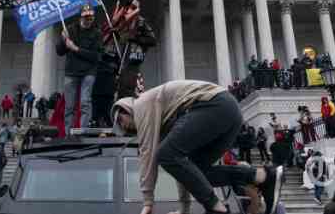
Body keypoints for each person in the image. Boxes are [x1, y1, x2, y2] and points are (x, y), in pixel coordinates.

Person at [112, 80, 284, 214]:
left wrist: (148, 202)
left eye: (121, 121)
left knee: (163, 154)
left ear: (126, 108)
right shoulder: (164, 120)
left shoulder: (142, 105)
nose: (125, 127)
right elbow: (184, 171)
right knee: (196, 171)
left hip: (215, 105)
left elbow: (147, 155)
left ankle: (216, 208)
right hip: (230, 112)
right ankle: (262, 176)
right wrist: (184, 209)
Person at [56, 4, 102, 133]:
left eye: (91, 17)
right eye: (86, 17)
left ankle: (83, 132)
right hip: (71, 72)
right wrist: (62, 39)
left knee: (85, 102)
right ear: (80, 17)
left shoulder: (97, 33)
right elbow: (59, 51)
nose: (89, 20)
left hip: (88, 72)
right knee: (69, 106)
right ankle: (68, 133)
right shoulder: (70, 30)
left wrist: (76, 49)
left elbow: (96, 56)